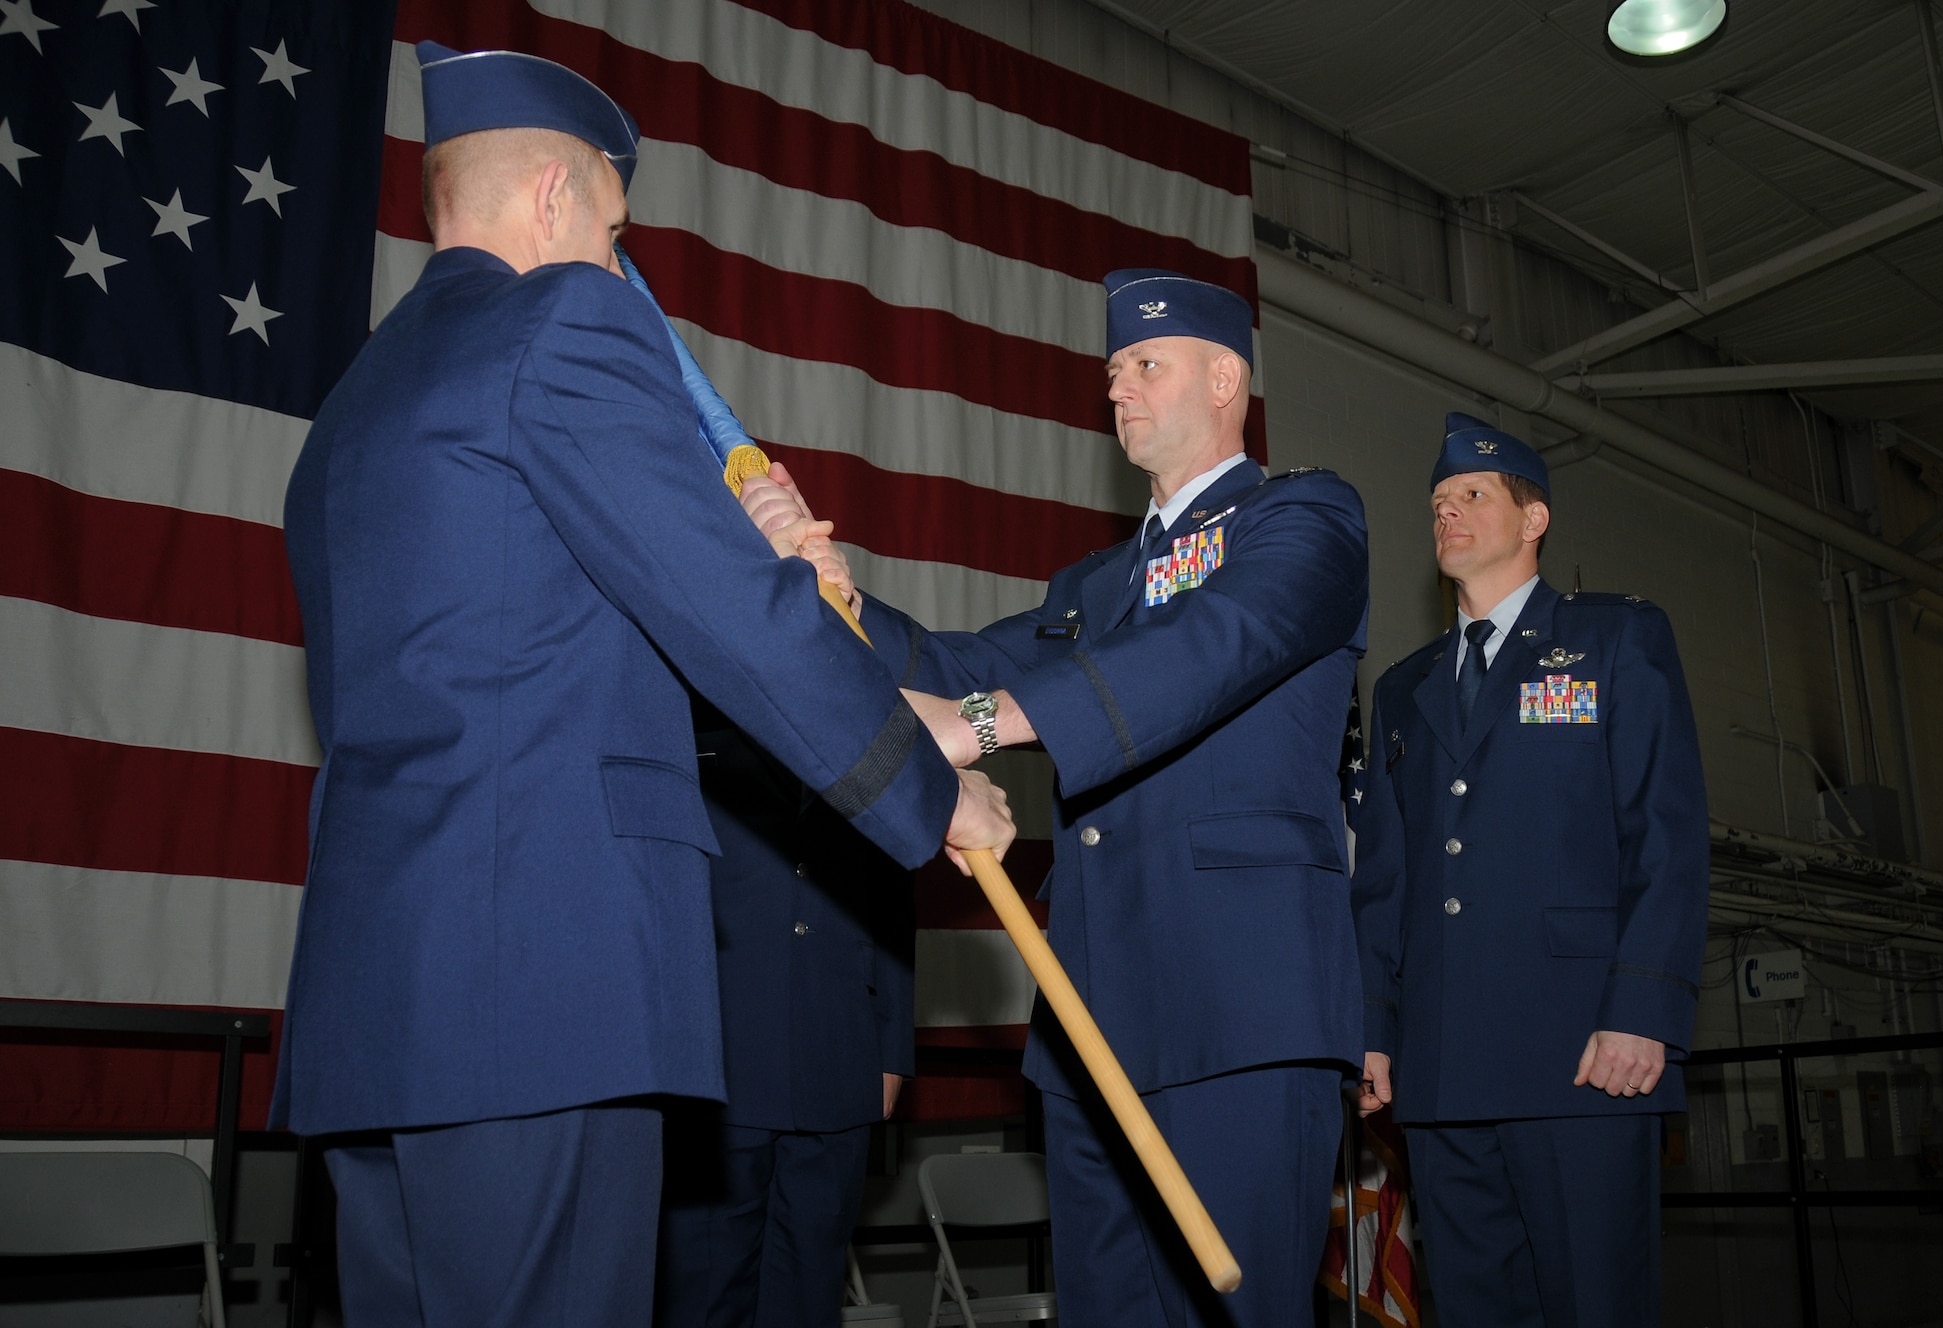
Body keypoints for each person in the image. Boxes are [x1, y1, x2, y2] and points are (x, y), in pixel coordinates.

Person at [271, 43, 1012, 1327]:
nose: (624, 268)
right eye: (616, 231)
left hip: (377, 1005)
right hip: (539, 985)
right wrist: (926, 791)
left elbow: (556, 649)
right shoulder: (563, 321)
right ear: (557, 197)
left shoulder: (351, 405)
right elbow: (724, 612)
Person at [740, 269, 1372, 1328]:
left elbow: (1213, 644)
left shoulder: (1303, 516)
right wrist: (831, 589)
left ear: (1224, 377)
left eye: (1145, 364)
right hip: (1089, 1015)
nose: (1116, 388)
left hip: (1240, 1006)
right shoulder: (1095, 586)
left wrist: (982, 723)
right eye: (1112, 369)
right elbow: (957, 657)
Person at [1348, 413, 1708, 1327]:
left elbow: (1665, 834)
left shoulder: (1614, 642)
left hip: (1583, 1052)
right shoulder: (1404, 687)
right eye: (1437, 502)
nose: (1449, 515)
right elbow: (1387, 880)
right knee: (1475, 1308)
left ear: (1534, 517)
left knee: (1596, 1304)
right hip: (1444, 1062)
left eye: (1472, 496)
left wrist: (1643, 1010)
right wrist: (1374, 1028)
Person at [656, 703, 916, 1328]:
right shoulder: (684, 722)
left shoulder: (868, 731)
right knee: (706, 1296)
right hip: (719, 1060)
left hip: (839, 1053)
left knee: (810, 1294)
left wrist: (892, 1050)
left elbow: (894, 898)